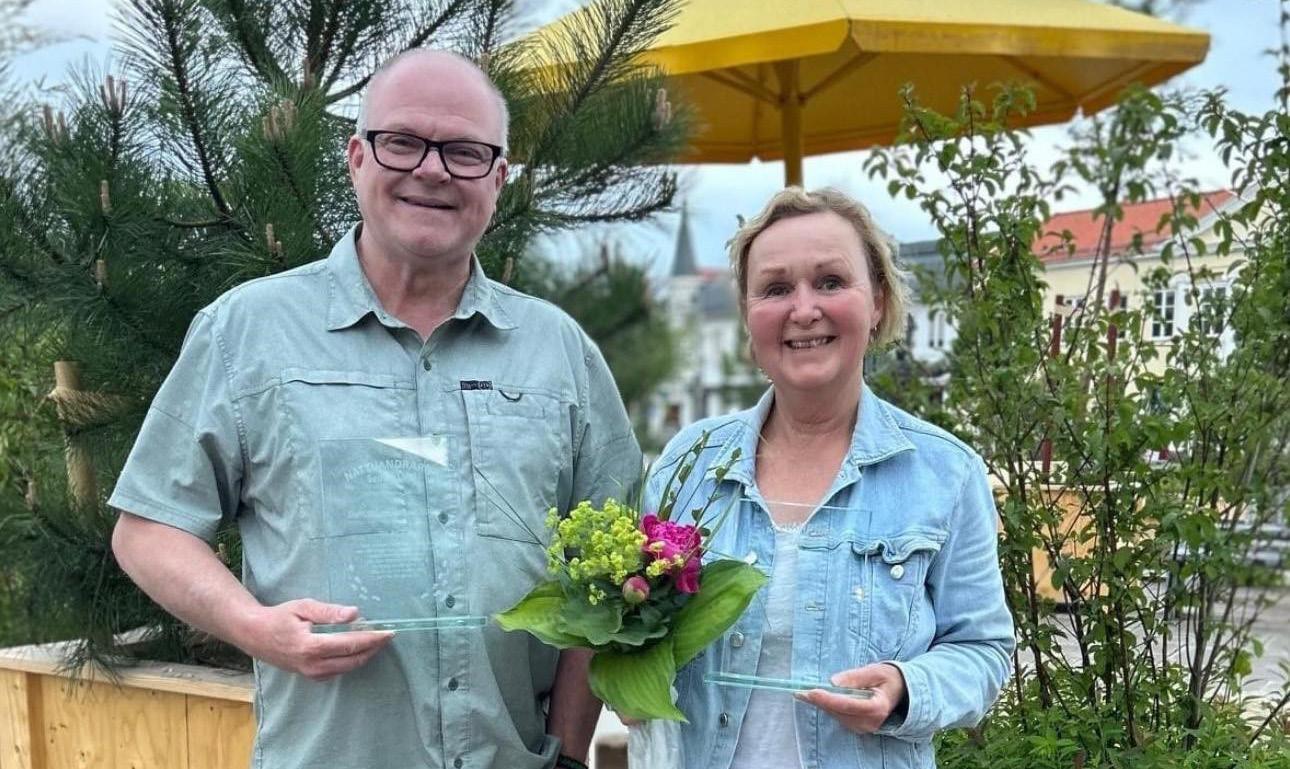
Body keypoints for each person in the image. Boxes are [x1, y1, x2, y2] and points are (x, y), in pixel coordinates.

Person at [110, 49, 639, 769]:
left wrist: (572, 753)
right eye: (403, 142)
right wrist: (254, 626)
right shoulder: (246, 333)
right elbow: (149, 528)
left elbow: (610, 575)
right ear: (357, 157)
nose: (432, 170)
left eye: (464, 152)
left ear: (498, 178)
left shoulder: (560, 352)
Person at [643, 187, 1014, 768]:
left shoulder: (945, 473)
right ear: (747, 314)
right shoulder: (688, 464)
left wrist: (905, 687)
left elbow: (983, 650)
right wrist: (625, 672)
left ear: (878, 302)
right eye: (775, 288)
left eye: (831, 281)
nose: (803, 309)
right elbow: (635, 625)